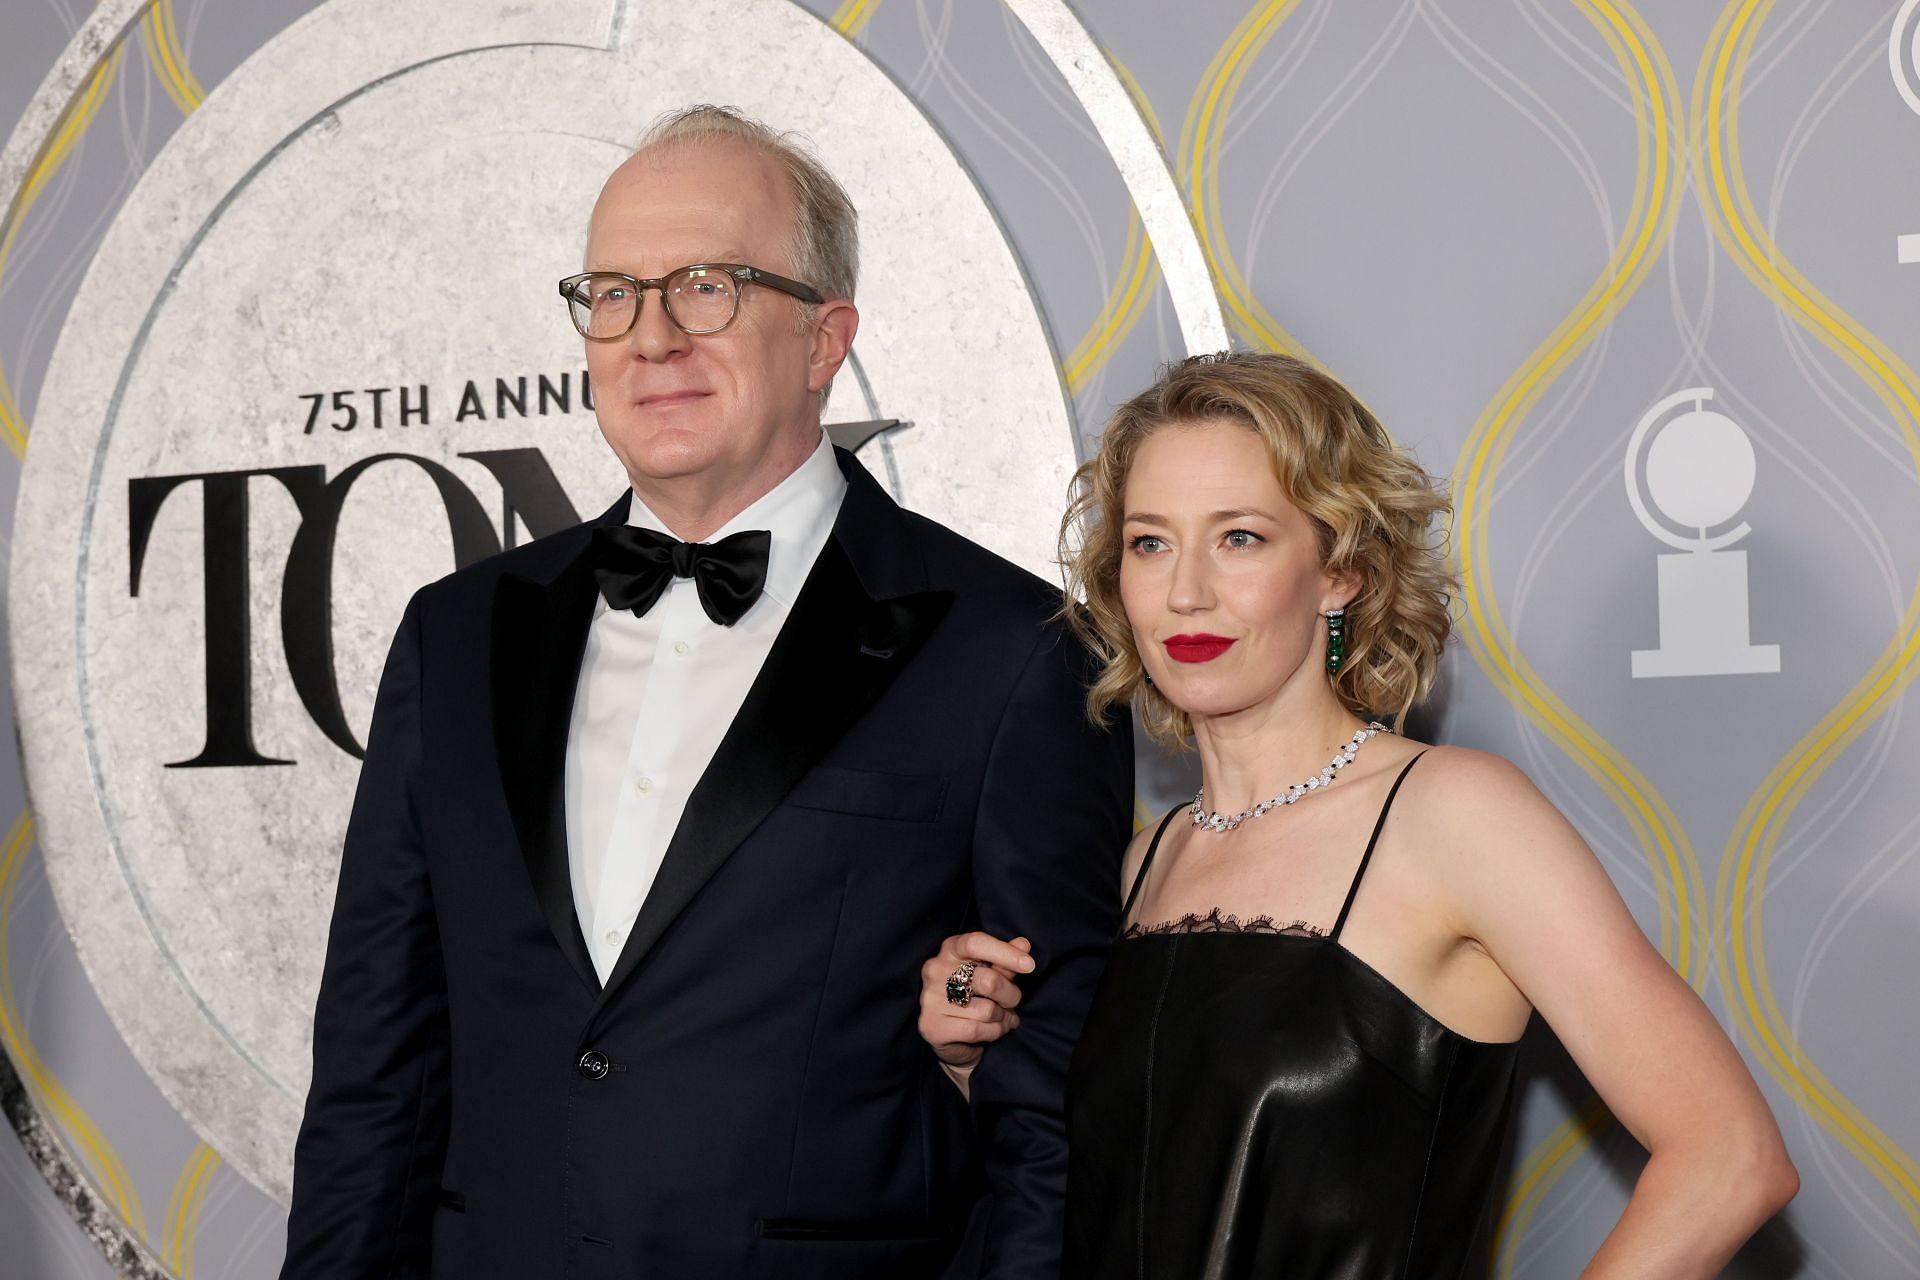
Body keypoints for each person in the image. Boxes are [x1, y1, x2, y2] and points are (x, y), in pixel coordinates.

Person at [281, 105, 1132, 1279]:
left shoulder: (1011, 654)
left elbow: (1051, 1122)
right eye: (614, 294)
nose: (652, 337)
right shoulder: (455, 636)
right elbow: (377, 1070)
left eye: (709, 287)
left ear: (826, 338)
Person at [919, 351, 1797, 1279]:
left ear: (1340, 572)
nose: (1185, 592)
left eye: (1240, 538)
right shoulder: (1144, 863)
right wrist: (975, 1062)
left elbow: (1731, 1158)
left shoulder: (1455, 819)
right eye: (1150, 542)